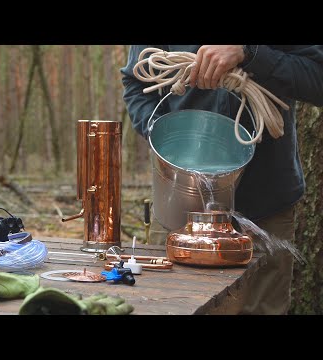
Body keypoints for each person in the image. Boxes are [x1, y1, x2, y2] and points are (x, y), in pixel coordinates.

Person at [121, 45, 323, 315]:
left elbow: (317, 78)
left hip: (266, 203)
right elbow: (136, 81)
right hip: (179, 205)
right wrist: (163, 135)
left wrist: (249, 54)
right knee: (171, 307)